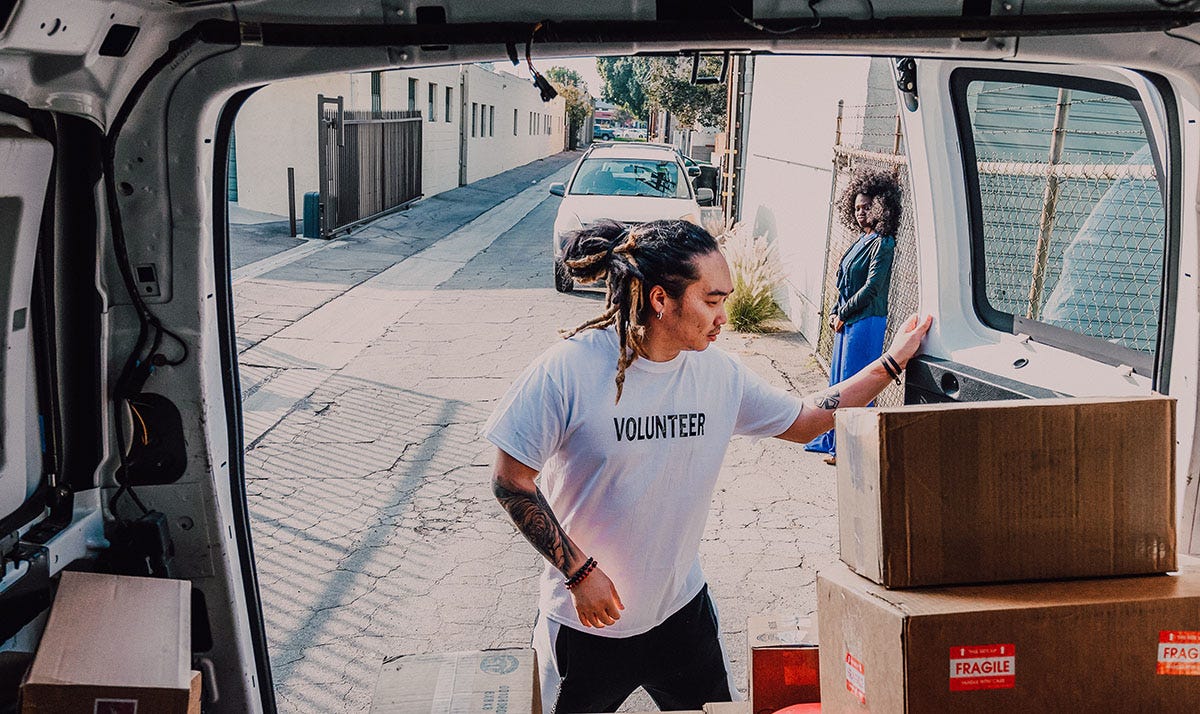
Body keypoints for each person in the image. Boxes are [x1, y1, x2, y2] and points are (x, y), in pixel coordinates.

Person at [484, 219, 931, 714]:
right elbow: (512, 481)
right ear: (660, 300)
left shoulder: (718, 373)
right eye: (711, 300)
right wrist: (579, 572)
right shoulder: (567, 369)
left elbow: (806, 420)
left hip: (680, 614)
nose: (723, 316)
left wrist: (892, 362)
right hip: (585, 622)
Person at [805, 170, 904, 466]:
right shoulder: (861, 240)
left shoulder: (883, 243)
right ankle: (835, 441)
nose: (861, 213)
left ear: (881, 207)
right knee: (839, 384)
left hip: (867, 322)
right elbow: (844, 282)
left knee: (856, 386)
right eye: (857, 208)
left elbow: (872, 288)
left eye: (866, 208)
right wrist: (837, 311)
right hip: (847, 321)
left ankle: (852, 449)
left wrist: (843, 313)